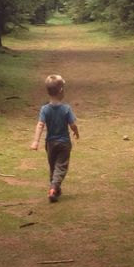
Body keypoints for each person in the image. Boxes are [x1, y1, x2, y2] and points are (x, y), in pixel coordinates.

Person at [30, 73, 79, 202]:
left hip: (50, 144)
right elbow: (72, 124)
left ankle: (55, 188)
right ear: (61, 91)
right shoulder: (66, 109)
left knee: (53, 166)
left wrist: (36, 141)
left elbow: (40, 125)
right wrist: (76, 131)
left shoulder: (45, 109)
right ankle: (54, 187)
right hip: (64, 143)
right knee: (61, 166)